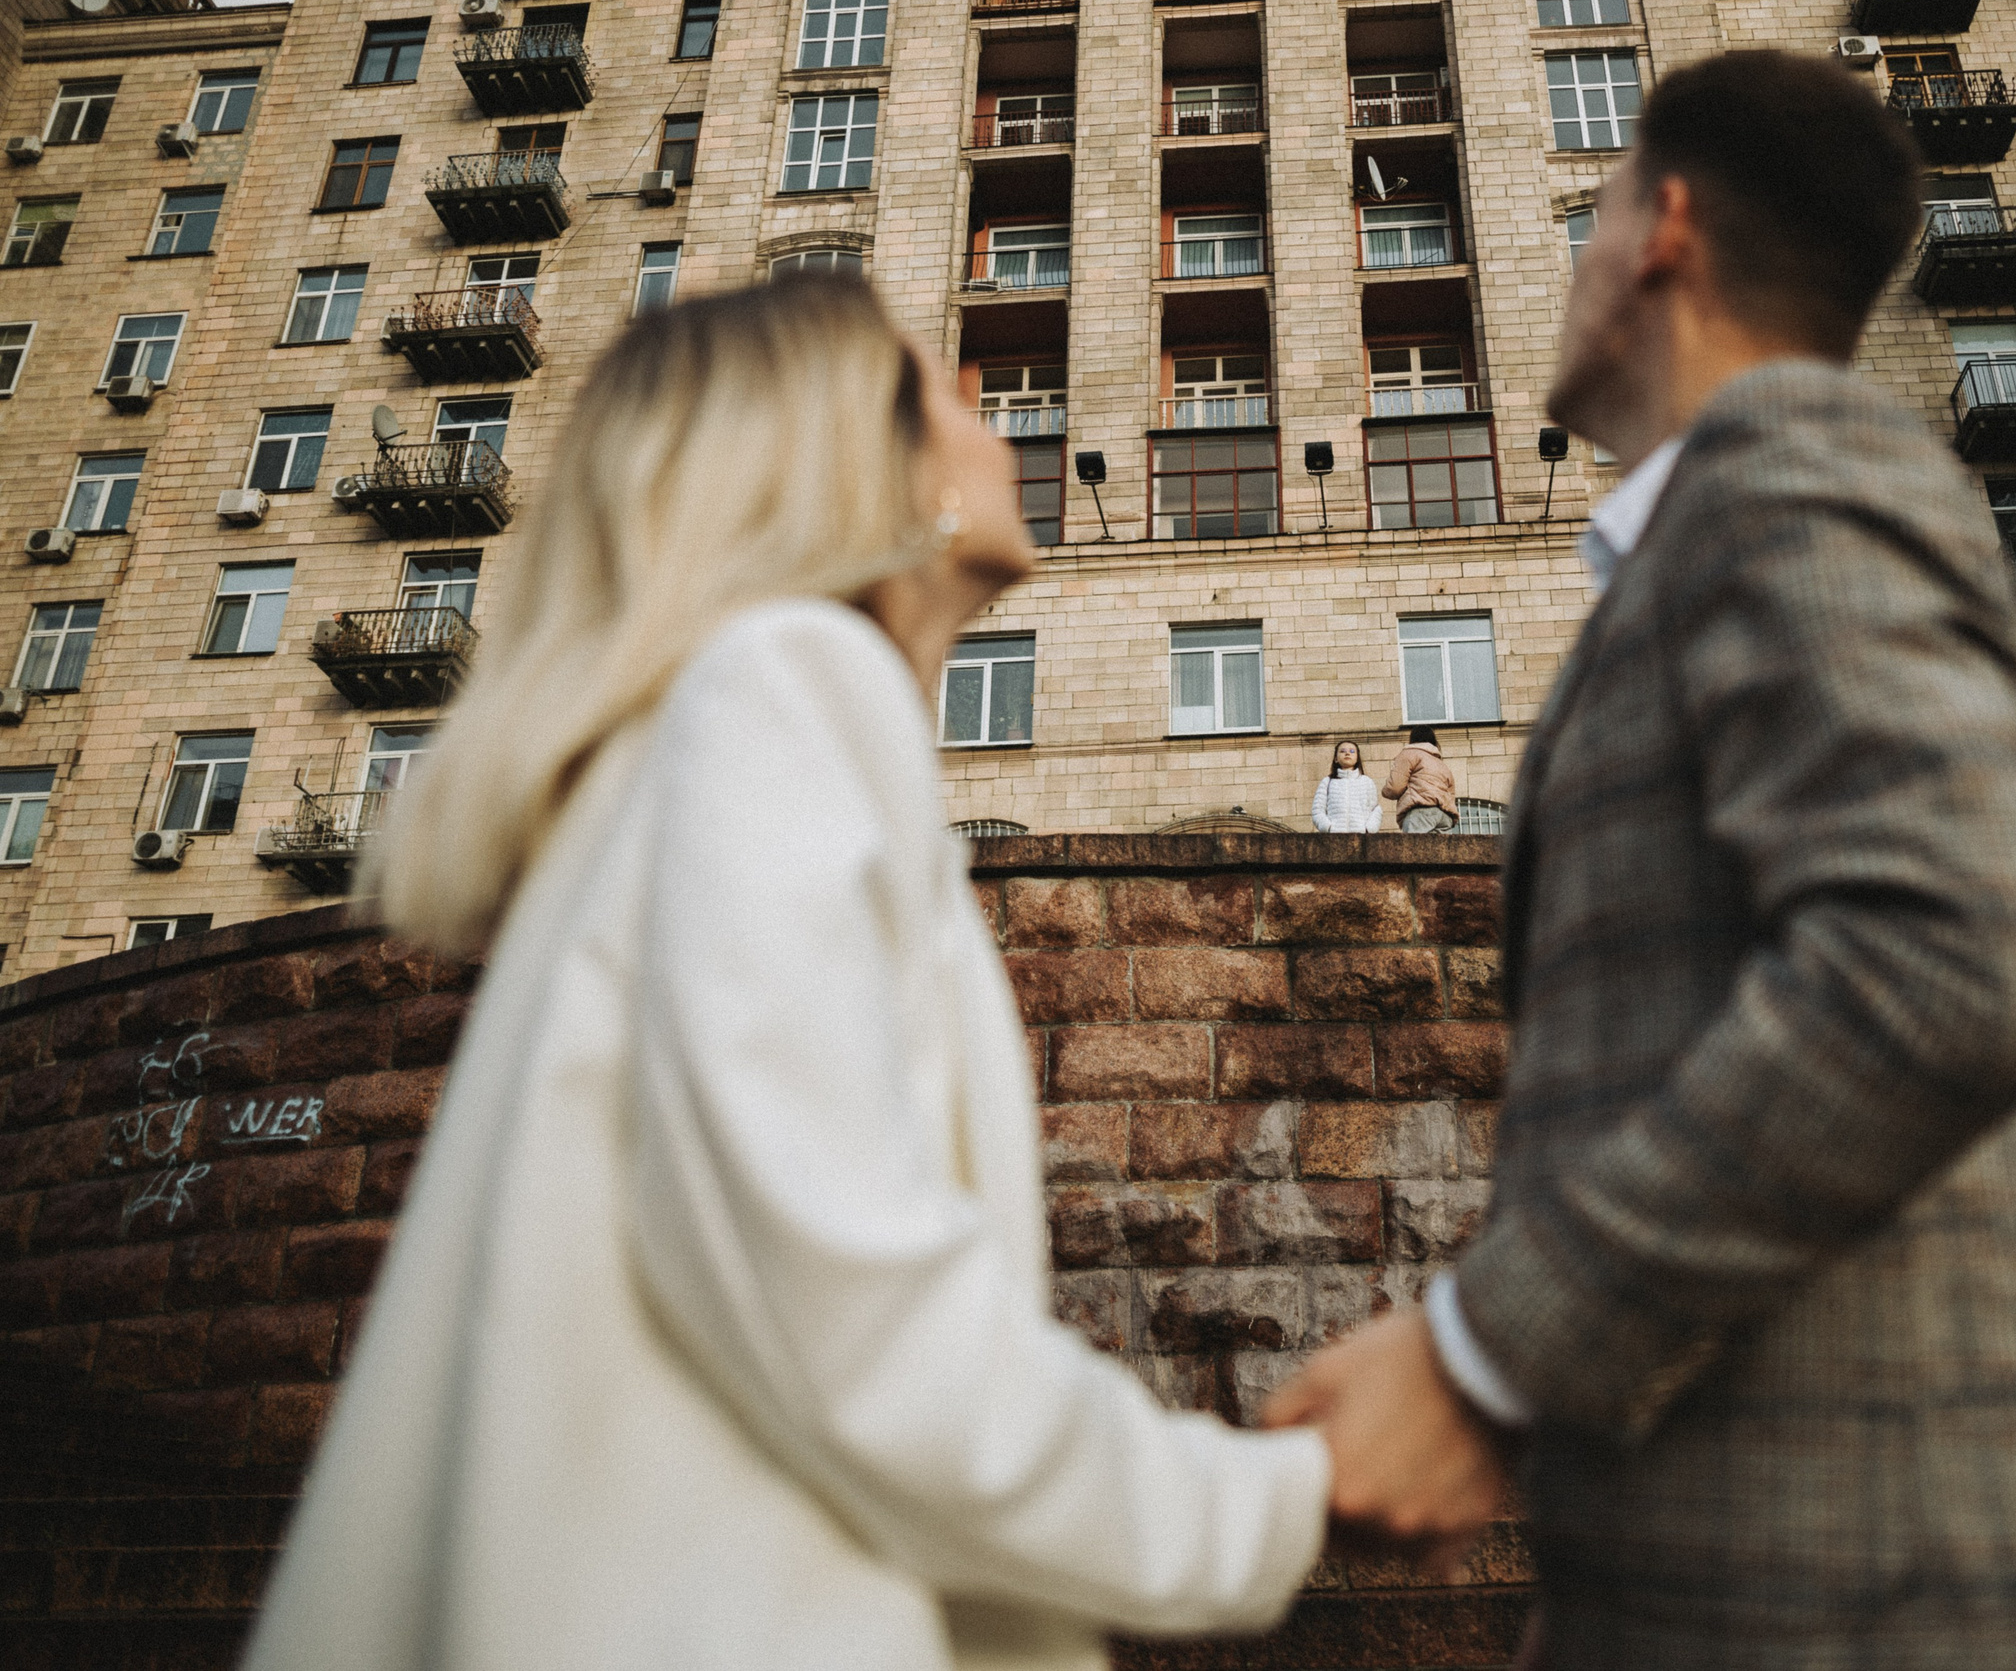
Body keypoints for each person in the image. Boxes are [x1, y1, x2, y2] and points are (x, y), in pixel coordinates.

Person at [1268, 51, 2016, 1669]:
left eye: (1589, 218)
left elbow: (1946, 966)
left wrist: (1485, 1356)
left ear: (1664, 230)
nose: (1573, 264)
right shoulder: (1713, 523)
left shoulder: (1796, 468)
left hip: (1893, 1591)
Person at [244, 276, 1333, 1671]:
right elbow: (849, 1307)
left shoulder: (704, 728)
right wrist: (1275, 1503)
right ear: (859, 459)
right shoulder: (790, 678)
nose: (1001, 423)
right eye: (948, 391)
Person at [1379, 726, 1459, 833]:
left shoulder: (1409, 754)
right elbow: (1451, 794)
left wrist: (1385, 791)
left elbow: (1395, 787)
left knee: (1413, 844)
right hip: (1444, 817)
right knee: (1440, 845)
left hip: (1421, 813)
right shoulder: (1442, 765)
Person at [1310, 739, 1382, 833]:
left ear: (1357, 758)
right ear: (1336, 758)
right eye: (1342, 751)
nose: (1347, 753)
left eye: (1352, 751)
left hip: (1361, 836)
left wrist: (1369, 829)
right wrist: (1327, 827)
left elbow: (1375, 809)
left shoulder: (1367, 782)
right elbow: (1317, 810)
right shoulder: (1327, 782)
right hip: (1334, 836)